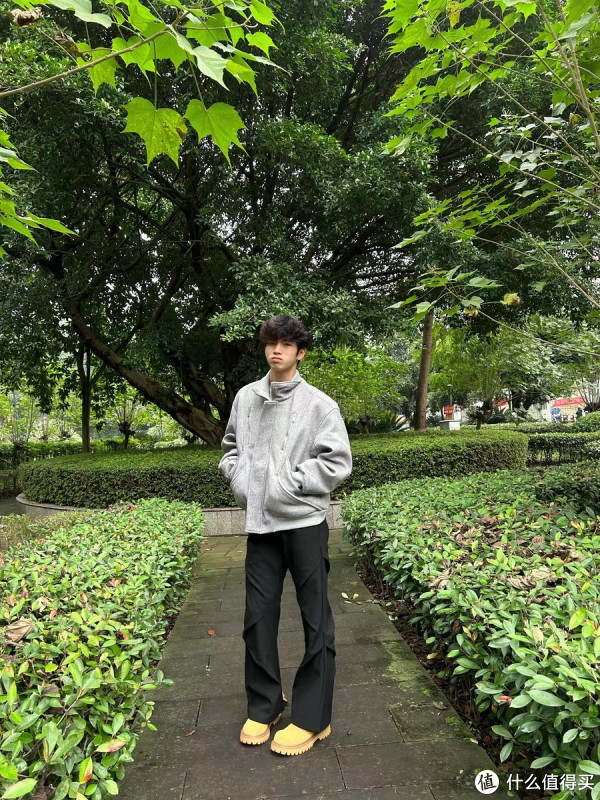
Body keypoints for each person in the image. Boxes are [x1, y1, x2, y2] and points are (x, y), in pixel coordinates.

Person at [218, 314, 352, 756]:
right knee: (257, 619)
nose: (276, 350)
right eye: (271, 343)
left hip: (304, 524)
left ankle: (313, 718)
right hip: (260, 525)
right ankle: (265, 705)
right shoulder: (246, 397)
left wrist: (287, 484)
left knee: (316, 620)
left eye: (286, 344)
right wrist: (242, 480)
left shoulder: (320, 405)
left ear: (300, 352)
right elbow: (230, 448)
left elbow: (337, 462)